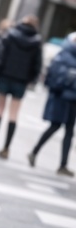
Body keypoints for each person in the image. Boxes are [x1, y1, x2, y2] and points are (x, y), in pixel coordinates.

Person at [0, 15, 42, 159]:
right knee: (13, 114)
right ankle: (6, 148)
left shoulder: (10, 35)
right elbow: (37, 64)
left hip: (5, 76)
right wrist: (32, 80)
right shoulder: (36, 41)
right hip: (21, 81)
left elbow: (0, 54)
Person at [28, 33, 76, 176]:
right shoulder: (65, 55)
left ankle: (62, 164)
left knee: (68, 131)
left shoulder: (66, 55)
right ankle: (35, 152)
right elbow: (56, 77)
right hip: (62, 98)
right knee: (56, 127)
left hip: (72, 99)